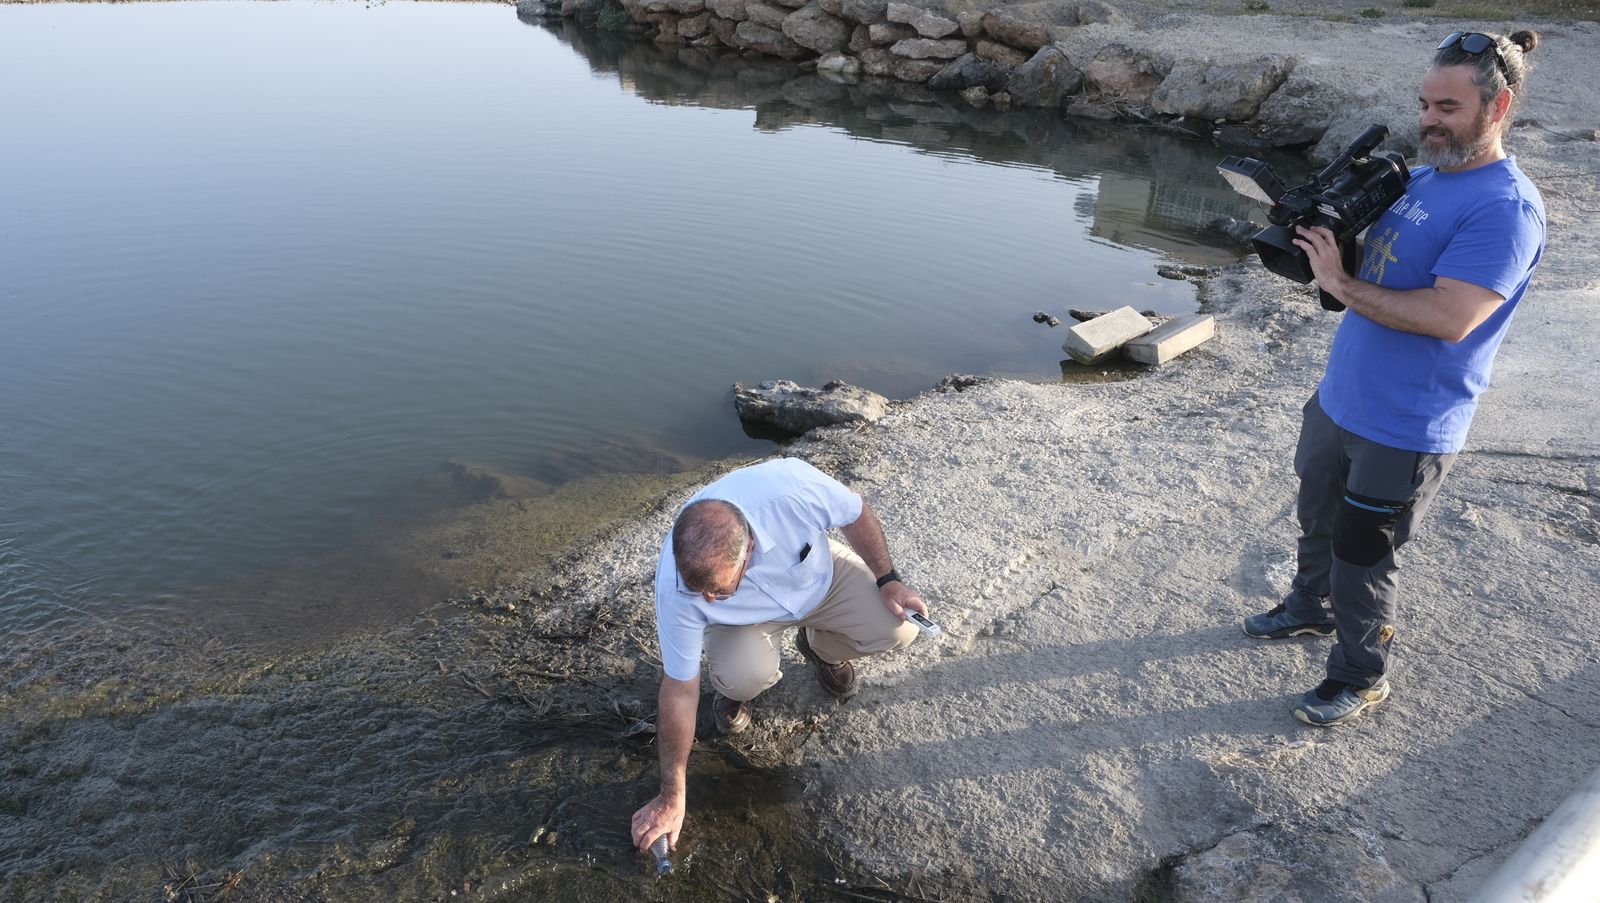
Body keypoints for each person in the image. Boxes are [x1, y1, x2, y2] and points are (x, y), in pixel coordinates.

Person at [1242, 29, 1547, 726]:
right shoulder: (1430, 177)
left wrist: (1339, 283)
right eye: (1424, 104)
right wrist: (1317, 235)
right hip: (1343, 396)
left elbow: (1450, 316)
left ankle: (1360, 673)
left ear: (1496, 106)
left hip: (1408, 424)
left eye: (1446, 107)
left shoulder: (1504, 208)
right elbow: (1365, 265)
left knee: (1364, 554)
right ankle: (1307, 608)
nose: (1428, 120)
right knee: (1316, 515)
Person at [629, 457, 928, 852]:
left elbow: (856, 513)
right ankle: (737, 689)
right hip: (743, 623)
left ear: (749, 548)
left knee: (900, 628)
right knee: (741, 677)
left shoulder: (790, 487)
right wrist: (672, 796)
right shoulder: (679, 585)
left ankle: (820, 646)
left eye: (718, 591)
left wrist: (889, 580)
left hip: (820, 582)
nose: (705, 600)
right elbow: (680, 690)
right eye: (697, 590)